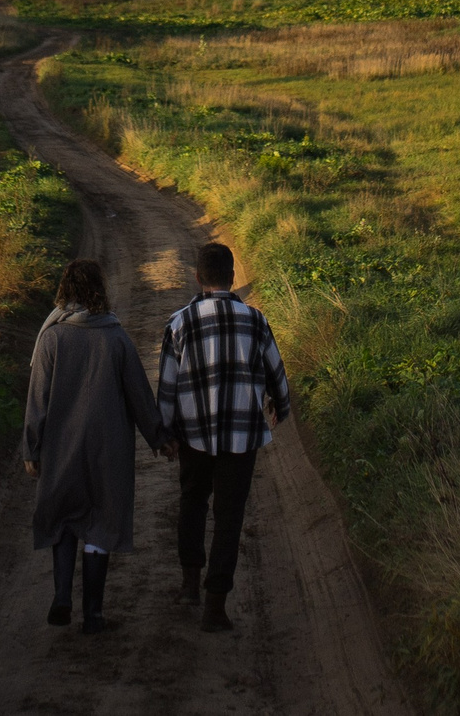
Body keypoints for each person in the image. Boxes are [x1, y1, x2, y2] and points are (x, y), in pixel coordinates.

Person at [24, 258, 169, 633]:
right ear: (99, 290)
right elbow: (139, 394)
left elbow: (36, 399)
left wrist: (32, 449)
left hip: (61, 447)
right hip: (109, 449)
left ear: (64, 290)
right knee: (101, 523)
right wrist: (159, 437)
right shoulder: (116, 337)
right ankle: (94, 614)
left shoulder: (51, 338)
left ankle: (61, 597)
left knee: (65, 519)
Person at [155, 241, 291, 633]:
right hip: (242, 436)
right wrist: (281, 406)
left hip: (193, 435)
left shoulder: (179, 323)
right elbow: (276, 372)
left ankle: (189, 584)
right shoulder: (256, 320)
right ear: (233, 278)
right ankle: (216, 605)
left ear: (197, 278)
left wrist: (165, 434)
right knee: (229, 517)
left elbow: (166, 386)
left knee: (192, 502)